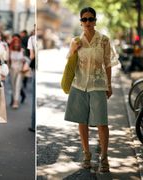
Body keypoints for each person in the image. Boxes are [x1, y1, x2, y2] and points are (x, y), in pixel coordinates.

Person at [64, 7, 114, 173]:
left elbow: (107, 64)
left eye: (91, 19)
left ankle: (104, 158)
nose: (87, 22)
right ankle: (86, 154)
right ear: (80, 22)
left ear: (95, 21)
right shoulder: (76, 41)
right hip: (79, 85)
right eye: (84, 19)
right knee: (82, 121)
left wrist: (109, 85)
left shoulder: (104, 40)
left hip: (98, 85)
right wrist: (73, 50)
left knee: (102, 122)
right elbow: (70, 63)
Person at [9, 36, 25, 109]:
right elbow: (8, 61)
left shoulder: (22, 50)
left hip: (20, 70)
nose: (16, 44)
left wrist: (23, 68)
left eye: (18, 43)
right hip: (12, 70)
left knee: (18, 85)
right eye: (15, 43)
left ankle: (16, 102)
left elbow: (24, 60)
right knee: (13, 86)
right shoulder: (10, 51)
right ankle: (13, 99)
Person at [27, 25, 36, 132]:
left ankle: (34, 125)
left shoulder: (32, 39)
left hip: (35, 70)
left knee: (34, 98)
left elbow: (32, 56)